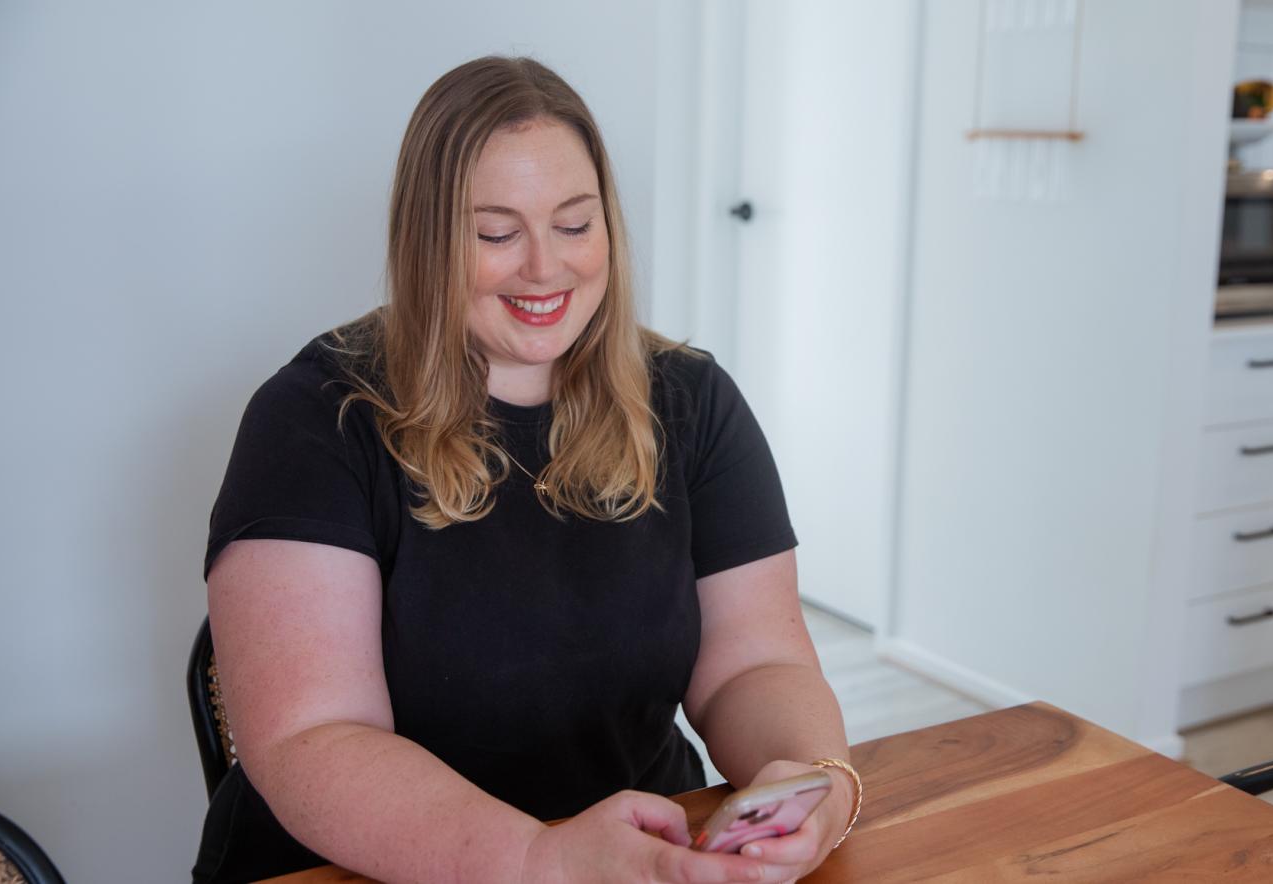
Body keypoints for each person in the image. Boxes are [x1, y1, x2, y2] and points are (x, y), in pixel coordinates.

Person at [193, 55, 856, 884]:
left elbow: (756, 665)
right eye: (496, 234)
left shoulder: (692, 403)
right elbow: (310, 736)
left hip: (644, 856)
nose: (545, 268)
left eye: (576, 225)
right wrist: (539, 859)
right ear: (426, 239)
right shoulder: (312, 420)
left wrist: (813, 781)